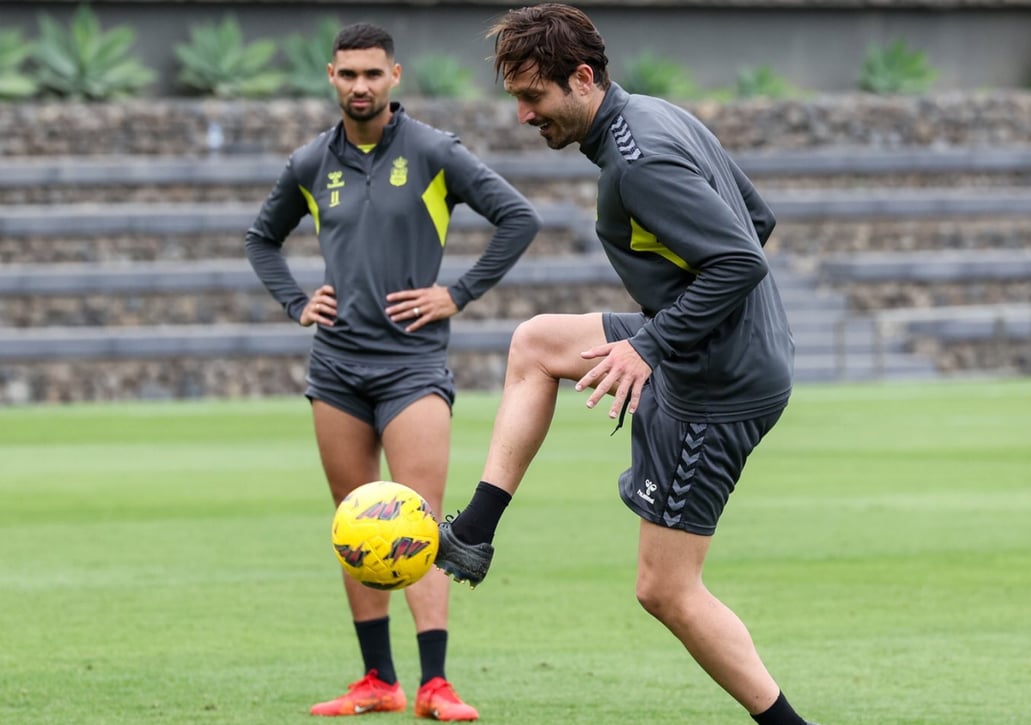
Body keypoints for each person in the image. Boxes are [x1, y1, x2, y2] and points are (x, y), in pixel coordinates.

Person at [428, 5, 818, 724]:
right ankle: (475, 530)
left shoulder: (639, 164)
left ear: (582, 78)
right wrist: (664, 322)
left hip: (721, 382)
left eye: (533, 96)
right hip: (718, 346)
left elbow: (740, 259)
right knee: (537, 343)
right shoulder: (657, 116)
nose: (523, 115)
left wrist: (651, 343)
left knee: (665, 589)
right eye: (516, 98)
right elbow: (755, 217)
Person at [244, 22, 541, 720]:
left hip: (413, 366)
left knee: (418, 519)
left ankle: (436, 683)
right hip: (336, 369)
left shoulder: (434, 151)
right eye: (348, 74)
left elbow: (518, 218)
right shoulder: (309, 162)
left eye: (372, 73)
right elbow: (262, 239)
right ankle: (377, 679)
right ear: (331, 76)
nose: (360, 86)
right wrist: (296, 301)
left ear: (394, 76)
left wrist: (457, 292)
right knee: (356, 523)